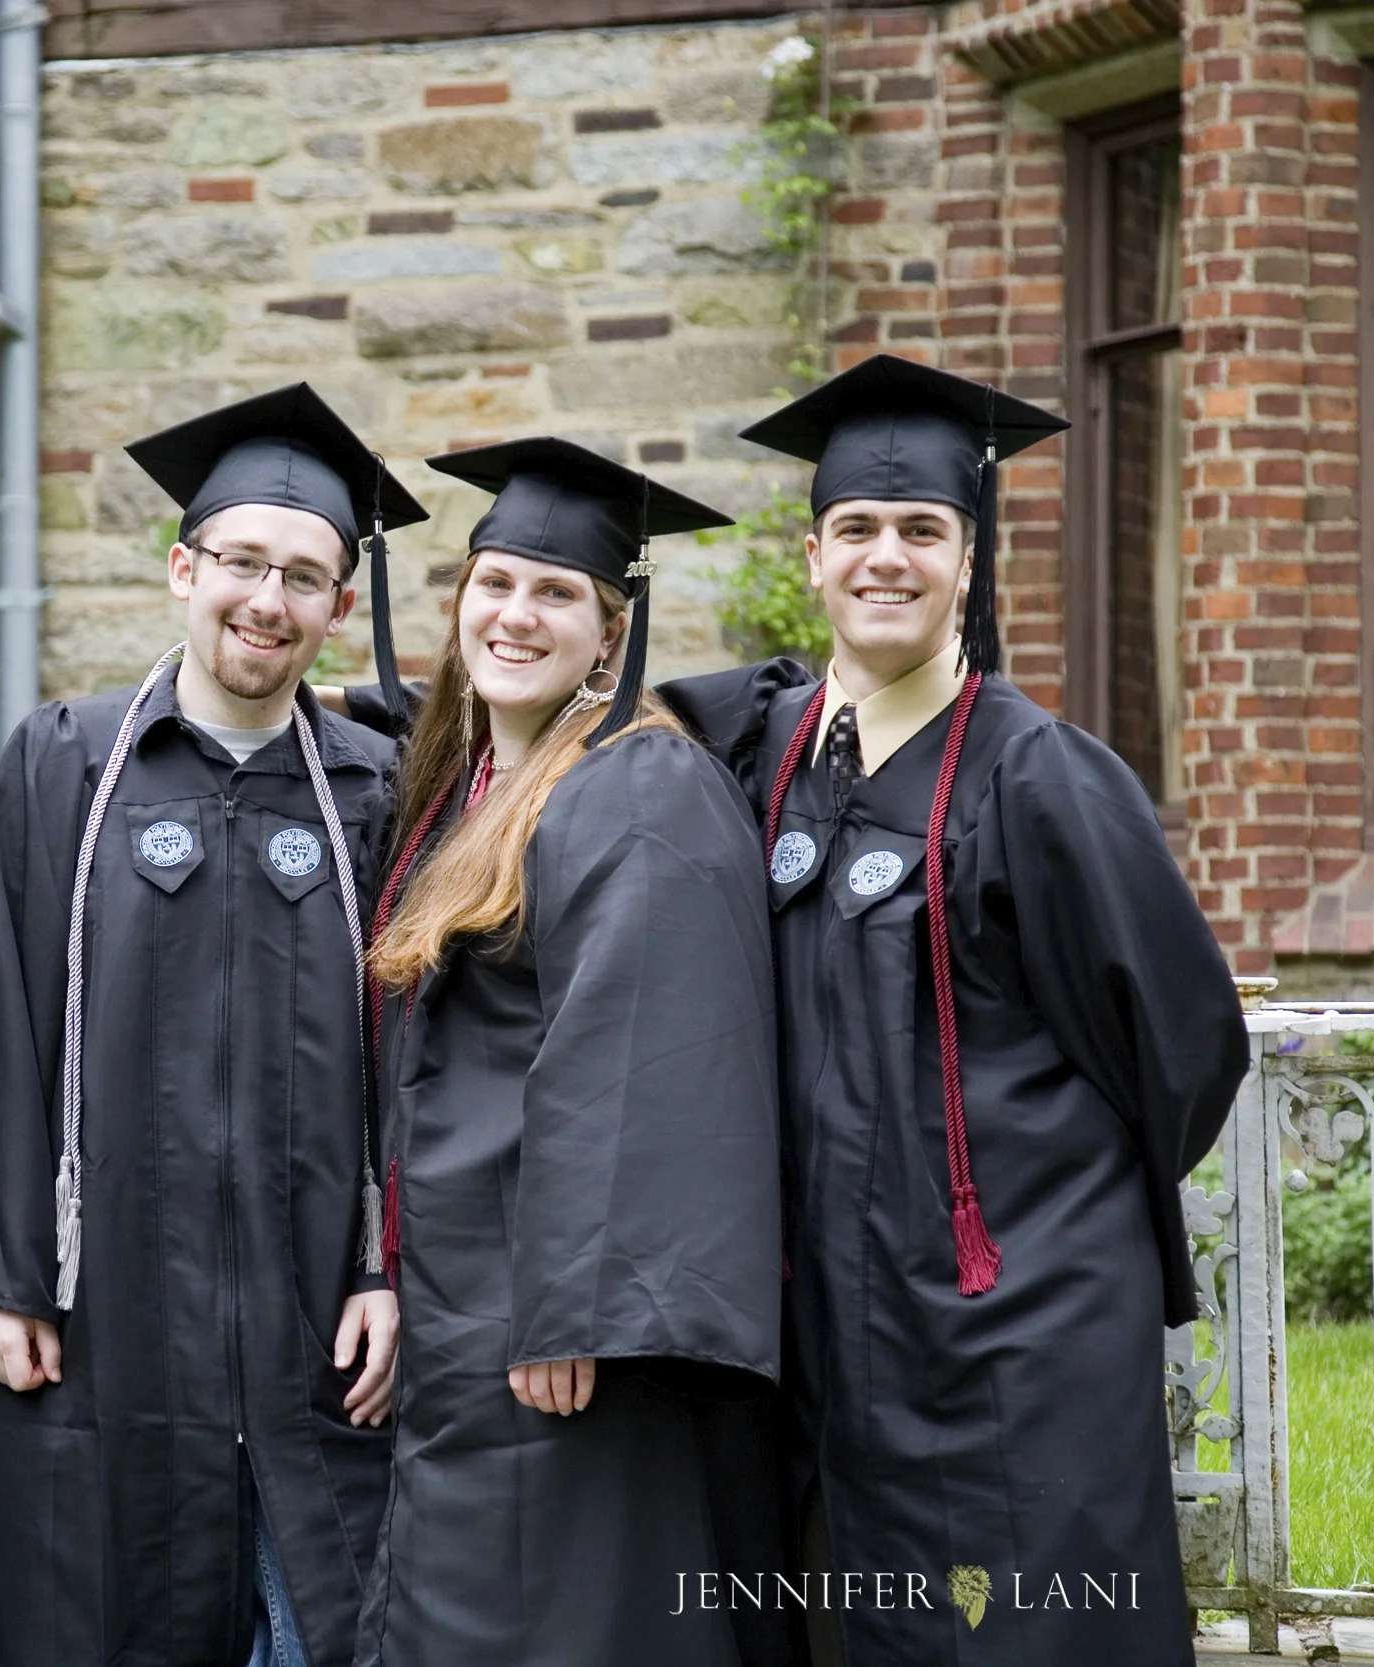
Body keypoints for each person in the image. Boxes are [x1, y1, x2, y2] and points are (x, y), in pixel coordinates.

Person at [659, 354, 1250, 1665]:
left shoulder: (1038, 773)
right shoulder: (772, 758)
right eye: (858, 531)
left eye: (921, 531)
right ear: (811, 555)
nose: (888, 558)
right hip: (826, 1326)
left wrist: (1052, 1213)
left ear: (969, 562)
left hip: (1013, 1325)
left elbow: (1187, 1041)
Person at [0, 383, 422, 1667]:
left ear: (339, 605)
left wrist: (392, 1262)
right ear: (183, 566)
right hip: (95, 1309)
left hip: (313, 1312)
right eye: (241, 564)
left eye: (305, 577)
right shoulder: (66, 763)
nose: (266, 600)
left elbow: (421, 1055)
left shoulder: (375, 791)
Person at [329, 440, 792, 1667]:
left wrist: (573, 1310)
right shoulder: (473, 782)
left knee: (558, 1617)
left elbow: (643, 1055)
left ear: (610, 631)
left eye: (554, 594)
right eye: (493, 584)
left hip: (550, 1336)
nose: (514, 615)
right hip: (465, 1303)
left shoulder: (638, 786)